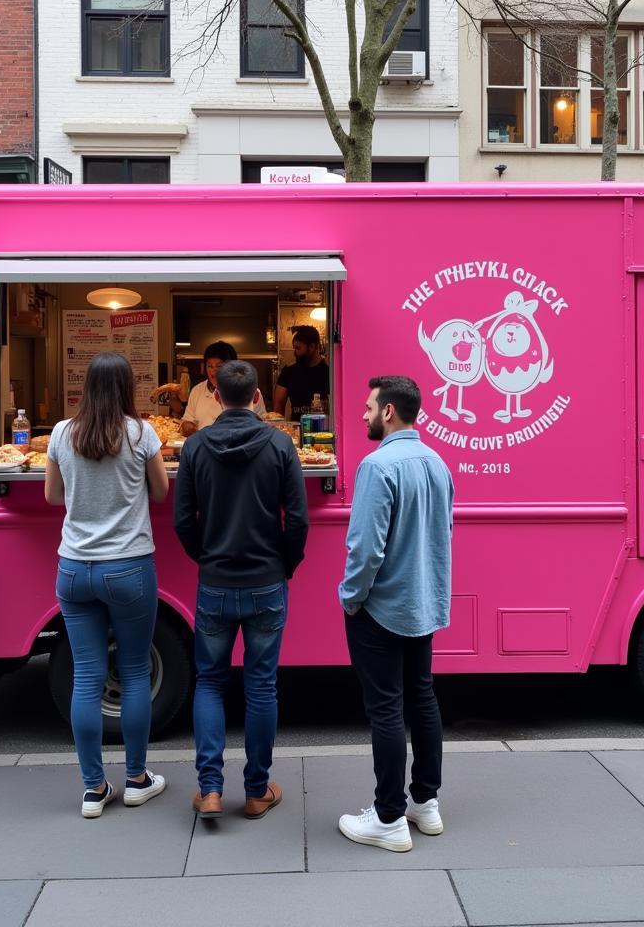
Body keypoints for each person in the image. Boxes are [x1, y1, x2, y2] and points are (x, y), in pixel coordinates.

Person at [173, 360, 308, 821]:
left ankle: (210, 790)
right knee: (261, 685)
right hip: (266, 581)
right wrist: (285, 564)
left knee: (209, 681)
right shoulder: (280, 444)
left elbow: (182, 520)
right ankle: (255, 791)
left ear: (217, 395)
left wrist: (205, 558)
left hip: (215, 582)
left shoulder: (194, 446)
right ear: (255, 398)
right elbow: (298, 518)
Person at [45, 351, 170, 819]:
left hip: (75, 569)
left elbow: (53, 495)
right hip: (129, 567)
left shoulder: (61, 432)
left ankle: (94, 788)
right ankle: (137, 779)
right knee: (136, 670)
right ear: (126, 388)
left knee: (87, 675)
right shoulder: (141, 433)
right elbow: (160, 492)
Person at [337, 376, 454, 852]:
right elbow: (443, 533)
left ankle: (388, 817)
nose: (364, 414)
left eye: (368, 407)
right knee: (422, 699)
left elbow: (365, 547)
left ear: (388, 412)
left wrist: (351, 596)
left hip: (381, 606)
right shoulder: (438, 463)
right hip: (423, 603)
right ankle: (424, 803)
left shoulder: (377, 465)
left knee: (385, 708)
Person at [181, 341, 266, 436]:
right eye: (210, 366)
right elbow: (187, 420)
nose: (213, 371)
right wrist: (188, 427)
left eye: (219, 366)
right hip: (205, 445)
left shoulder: (249, 389)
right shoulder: (197, 390)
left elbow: (262, 423)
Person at [273, 326, 329, 420]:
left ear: (312, 346)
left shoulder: (328, 372)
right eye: (294, 348)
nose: (295, 352)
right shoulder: (289, 371)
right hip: (296, 431)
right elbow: (279, 403)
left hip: (322, 431)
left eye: (298, 348)